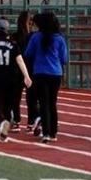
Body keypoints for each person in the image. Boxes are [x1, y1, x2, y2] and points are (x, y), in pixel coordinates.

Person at [0, 19, 32, 143]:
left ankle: (2, 121)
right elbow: (20, 60)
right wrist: (27, 76)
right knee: (8, 106)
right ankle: (4, 130)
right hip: (12, 79)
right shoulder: (13, 43)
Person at [24, 12, 68, 143]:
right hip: (55, 73)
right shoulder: (59, 38)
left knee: (44, 103)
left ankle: (46, 133)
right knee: (52, 103)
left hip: (40, 73)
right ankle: (54, 132)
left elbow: (28, 54)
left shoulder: (36, 37)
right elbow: (64, 59)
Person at [15, 11, 35, 133]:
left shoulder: (15, 36)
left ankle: (16, 121)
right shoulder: (33, 36)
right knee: (31, 97)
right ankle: (31, 122)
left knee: (15, 97)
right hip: (31, 68)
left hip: (17, 68)